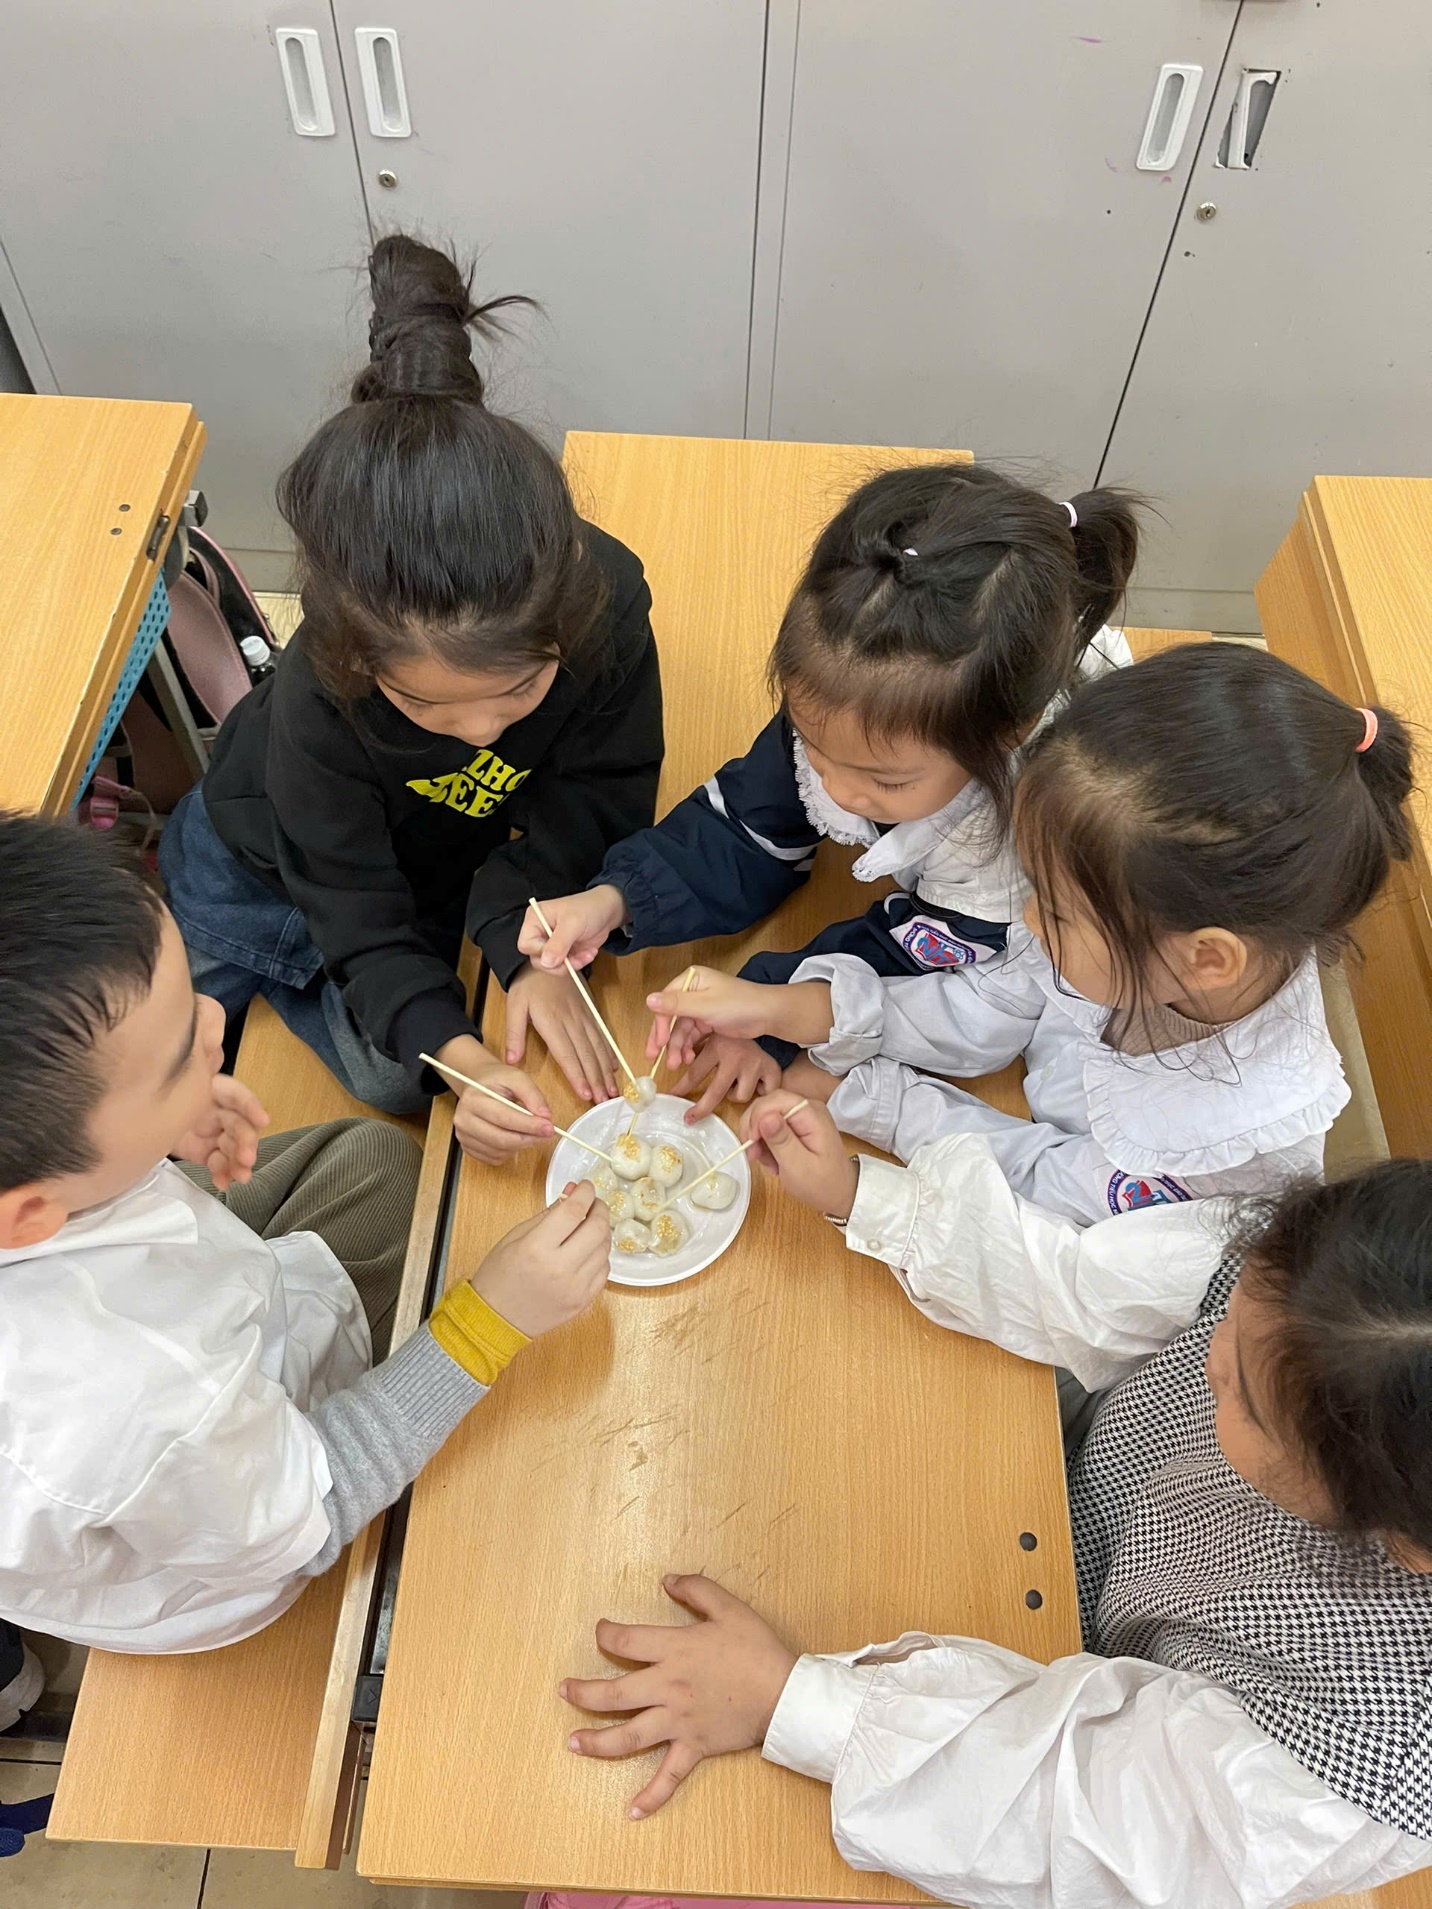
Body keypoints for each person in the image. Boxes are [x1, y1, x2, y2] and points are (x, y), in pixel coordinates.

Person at [559, 1159, 1432, 1908]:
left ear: (1385, 1527)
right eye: (1231, 1316)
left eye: (1238, 1389)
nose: (1212, 1354)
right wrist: (874, 1200)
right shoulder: (1336, 1277)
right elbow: (1089, 1285)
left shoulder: (1366, 1747)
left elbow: (1069, 1817)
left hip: (1063, 1709)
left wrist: (788, 1699)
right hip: (1055, 1498)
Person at [0, 814, 610, 1652]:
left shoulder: (35, 1190)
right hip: (251, 1536)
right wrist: (489, 1321)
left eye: (188, 999)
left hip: (181, 1349)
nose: (215, 1019)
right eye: (179, 1057)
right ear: (30, 1210)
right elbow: (316, 1513)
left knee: (372, 1161)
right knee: (458, 1301)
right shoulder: (135, 1394)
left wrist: (163, 1125)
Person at [160, 234, 663, 1162]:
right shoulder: (320, 694)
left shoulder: (606, 606)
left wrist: (524, 940)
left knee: (401, 1078)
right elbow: (350, 900)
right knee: (157, 1096)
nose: (480, 735)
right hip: (253, 867)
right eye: (427, 709)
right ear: (356, 660)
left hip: (420, 866)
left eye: (521, 688)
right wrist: (455, 1044)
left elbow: (602, 790)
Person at [646, 644, 1413, 1223]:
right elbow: (998, 1002)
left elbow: (1054, 1222)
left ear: (1207, 957)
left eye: (1057, 909)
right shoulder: (1142, 933)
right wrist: (791, 1009)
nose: (1027, 922)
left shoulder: (1233, 1146)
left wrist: (864, 1170)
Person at [519, 464, 1139, 1121]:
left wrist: (777, 1012)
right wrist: (618, 897)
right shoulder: (853, 695)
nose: (836, 789)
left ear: (1007, 736)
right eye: (813, 743)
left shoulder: (1010, 838)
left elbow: (957, 990)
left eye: (884, 780)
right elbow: (746, 821)